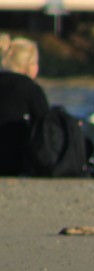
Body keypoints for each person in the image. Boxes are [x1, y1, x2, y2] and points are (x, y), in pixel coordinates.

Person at [0, 35, 50, 176]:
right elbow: (45, 124)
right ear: (28, 65)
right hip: (17, 161)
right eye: (35, 63)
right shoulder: (30, 89)